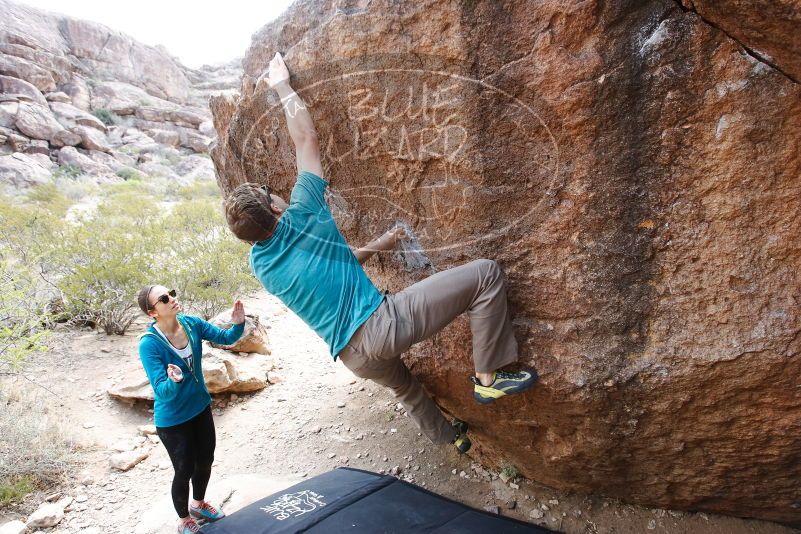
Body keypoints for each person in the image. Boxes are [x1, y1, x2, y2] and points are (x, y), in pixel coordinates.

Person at [222, 52, 537, 454]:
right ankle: (489, 381)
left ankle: (451, 437)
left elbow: (339, 268)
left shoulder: (262, 265)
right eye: (270, 195)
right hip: (382, 326)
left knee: (406, 388)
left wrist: (381, 244)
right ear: (276, 207)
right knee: (486, 274)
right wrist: (282, 85)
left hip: (355, 357)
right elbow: (305, 139)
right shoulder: (305, 213)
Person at [136, 285, 245, 534]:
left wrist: (237, 325)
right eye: (164, 299)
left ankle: (198, 504)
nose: (172, 299)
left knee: (205, 460)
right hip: (173, 419)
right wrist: (173, 381)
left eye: (171, 293)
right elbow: (161, 390)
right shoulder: (149, 344)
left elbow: (225, 338)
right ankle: (184, 519)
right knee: (184, 469)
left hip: (200, 407)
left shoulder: (191, 323)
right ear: (152, 312)